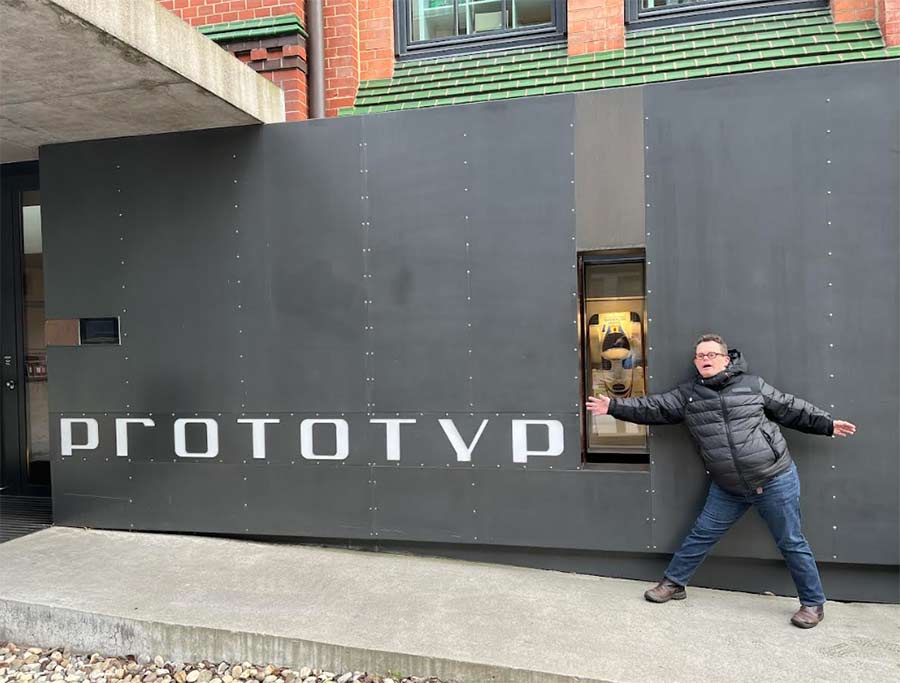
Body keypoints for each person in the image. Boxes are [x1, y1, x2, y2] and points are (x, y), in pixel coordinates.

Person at [586, 333, 856, 629]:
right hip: (728, 487)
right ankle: (675, 584)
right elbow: (654, 407)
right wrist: (612, 407)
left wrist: (827, 424)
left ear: (726, 359)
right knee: (701, 534)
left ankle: (813, 603)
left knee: (791, 541)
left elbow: (790, 408)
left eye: (711, 355)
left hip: (774, 478)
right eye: (700, 356)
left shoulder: (752, 385)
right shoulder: (688, 395)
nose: (705, 360)